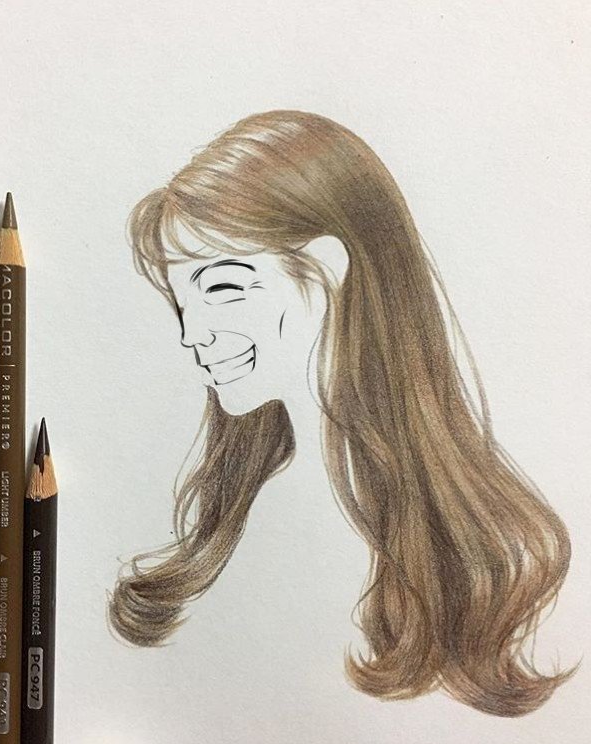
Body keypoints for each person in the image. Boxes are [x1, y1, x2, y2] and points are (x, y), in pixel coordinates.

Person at [109, 110, 573, 716]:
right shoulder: (251, 505)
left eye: (221, 289)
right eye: (181, 301)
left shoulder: (495, 550)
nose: (191, 333)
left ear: (328, 271)